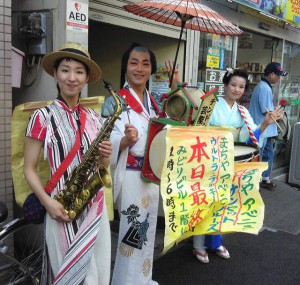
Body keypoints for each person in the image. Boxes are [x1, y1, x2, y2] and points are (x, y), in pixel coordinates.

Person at [24, 42, 112, 285]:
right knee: (76, 278)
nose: (71, 77)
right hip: (61, 209)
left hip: (94, 207)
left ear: (86, 79)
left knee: (100, 274)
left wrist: (106, 154)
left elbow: (103, 167)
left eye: (79, 72)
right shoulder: (41, 117)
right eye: (65, 70)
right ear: (55, 73)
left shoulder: (95, 118)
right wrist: (48, 203)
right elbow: (28, 169)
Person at [101, 43, 179, 285]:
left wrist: (176, 86)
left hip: (151, 176)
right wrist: (124, 141)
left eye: (146, 64)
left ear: (152, 70)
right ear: (125, 66)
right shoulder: (113, 101)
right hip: (132, 176)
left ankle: (144, 278)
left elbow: (170, 124)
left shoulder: (153, 101)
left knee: (146, 231)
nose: (139, 68)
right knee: (131, 235)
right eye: (134, 62)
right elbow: (102, 141)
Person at [193, 68, 283, 264]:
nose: (237, 89)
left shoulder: (242, 111)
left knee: (223, 202)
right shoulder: (211, 104)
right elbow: (197, 130)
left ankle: (215, 242)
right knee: (206, 202)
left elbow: (249, 137)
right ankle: (198, 244)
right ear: (225, 85)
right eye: (233, 85)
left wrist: (266, 123)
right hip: (209, 159)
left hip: (230, 162)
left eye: (241, 87)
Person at [249, 62, 288, 190]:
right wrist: (278, 114)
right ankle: (260, 179)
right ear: (271, 74)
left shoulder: (263, 86)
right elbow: (267, 111)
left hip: (264, 128)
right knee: (263, 154)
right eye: (277, 75)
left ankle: (262, 178)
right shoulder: (264, 87)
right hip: (263, 127)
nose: (278, 78)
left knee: (265, 153)